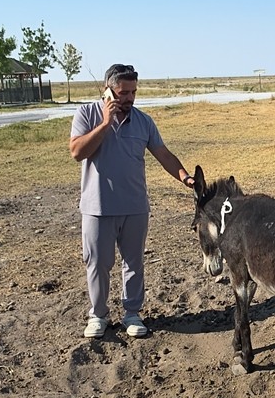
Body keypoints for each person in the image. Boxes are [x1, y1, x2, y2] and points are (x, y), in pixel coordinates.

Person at [69, 64, 197, 339]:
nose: (129, 98)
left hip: (135, 207)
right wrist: (104, 124)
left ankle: (132, 313)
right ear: (108, 91)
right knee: (98, 263)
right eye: (123, 92)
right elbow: (77, 152)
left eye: (133, 92)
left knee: (134, 263)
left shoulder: (143, 121)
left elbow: (163, 154)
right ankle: (98, 315)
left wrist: (185, 177)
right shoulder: (87, 114)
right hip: (97, 208)